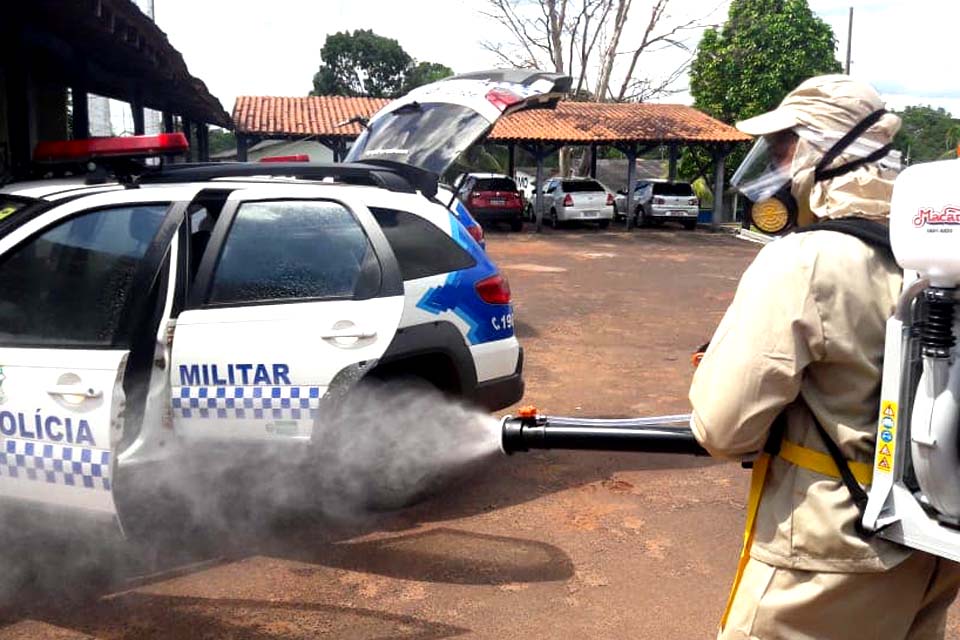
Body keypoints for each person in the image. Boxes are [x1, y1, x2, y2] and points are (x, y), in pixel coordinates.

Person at [689, 74, 960, 639]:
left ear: (822, 154)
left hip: (827, 553)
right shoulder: (935, 253)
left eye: (786, 148)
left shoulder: (806, 259)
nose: (779, 167)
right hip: (931, 543)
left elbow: (723, 427)